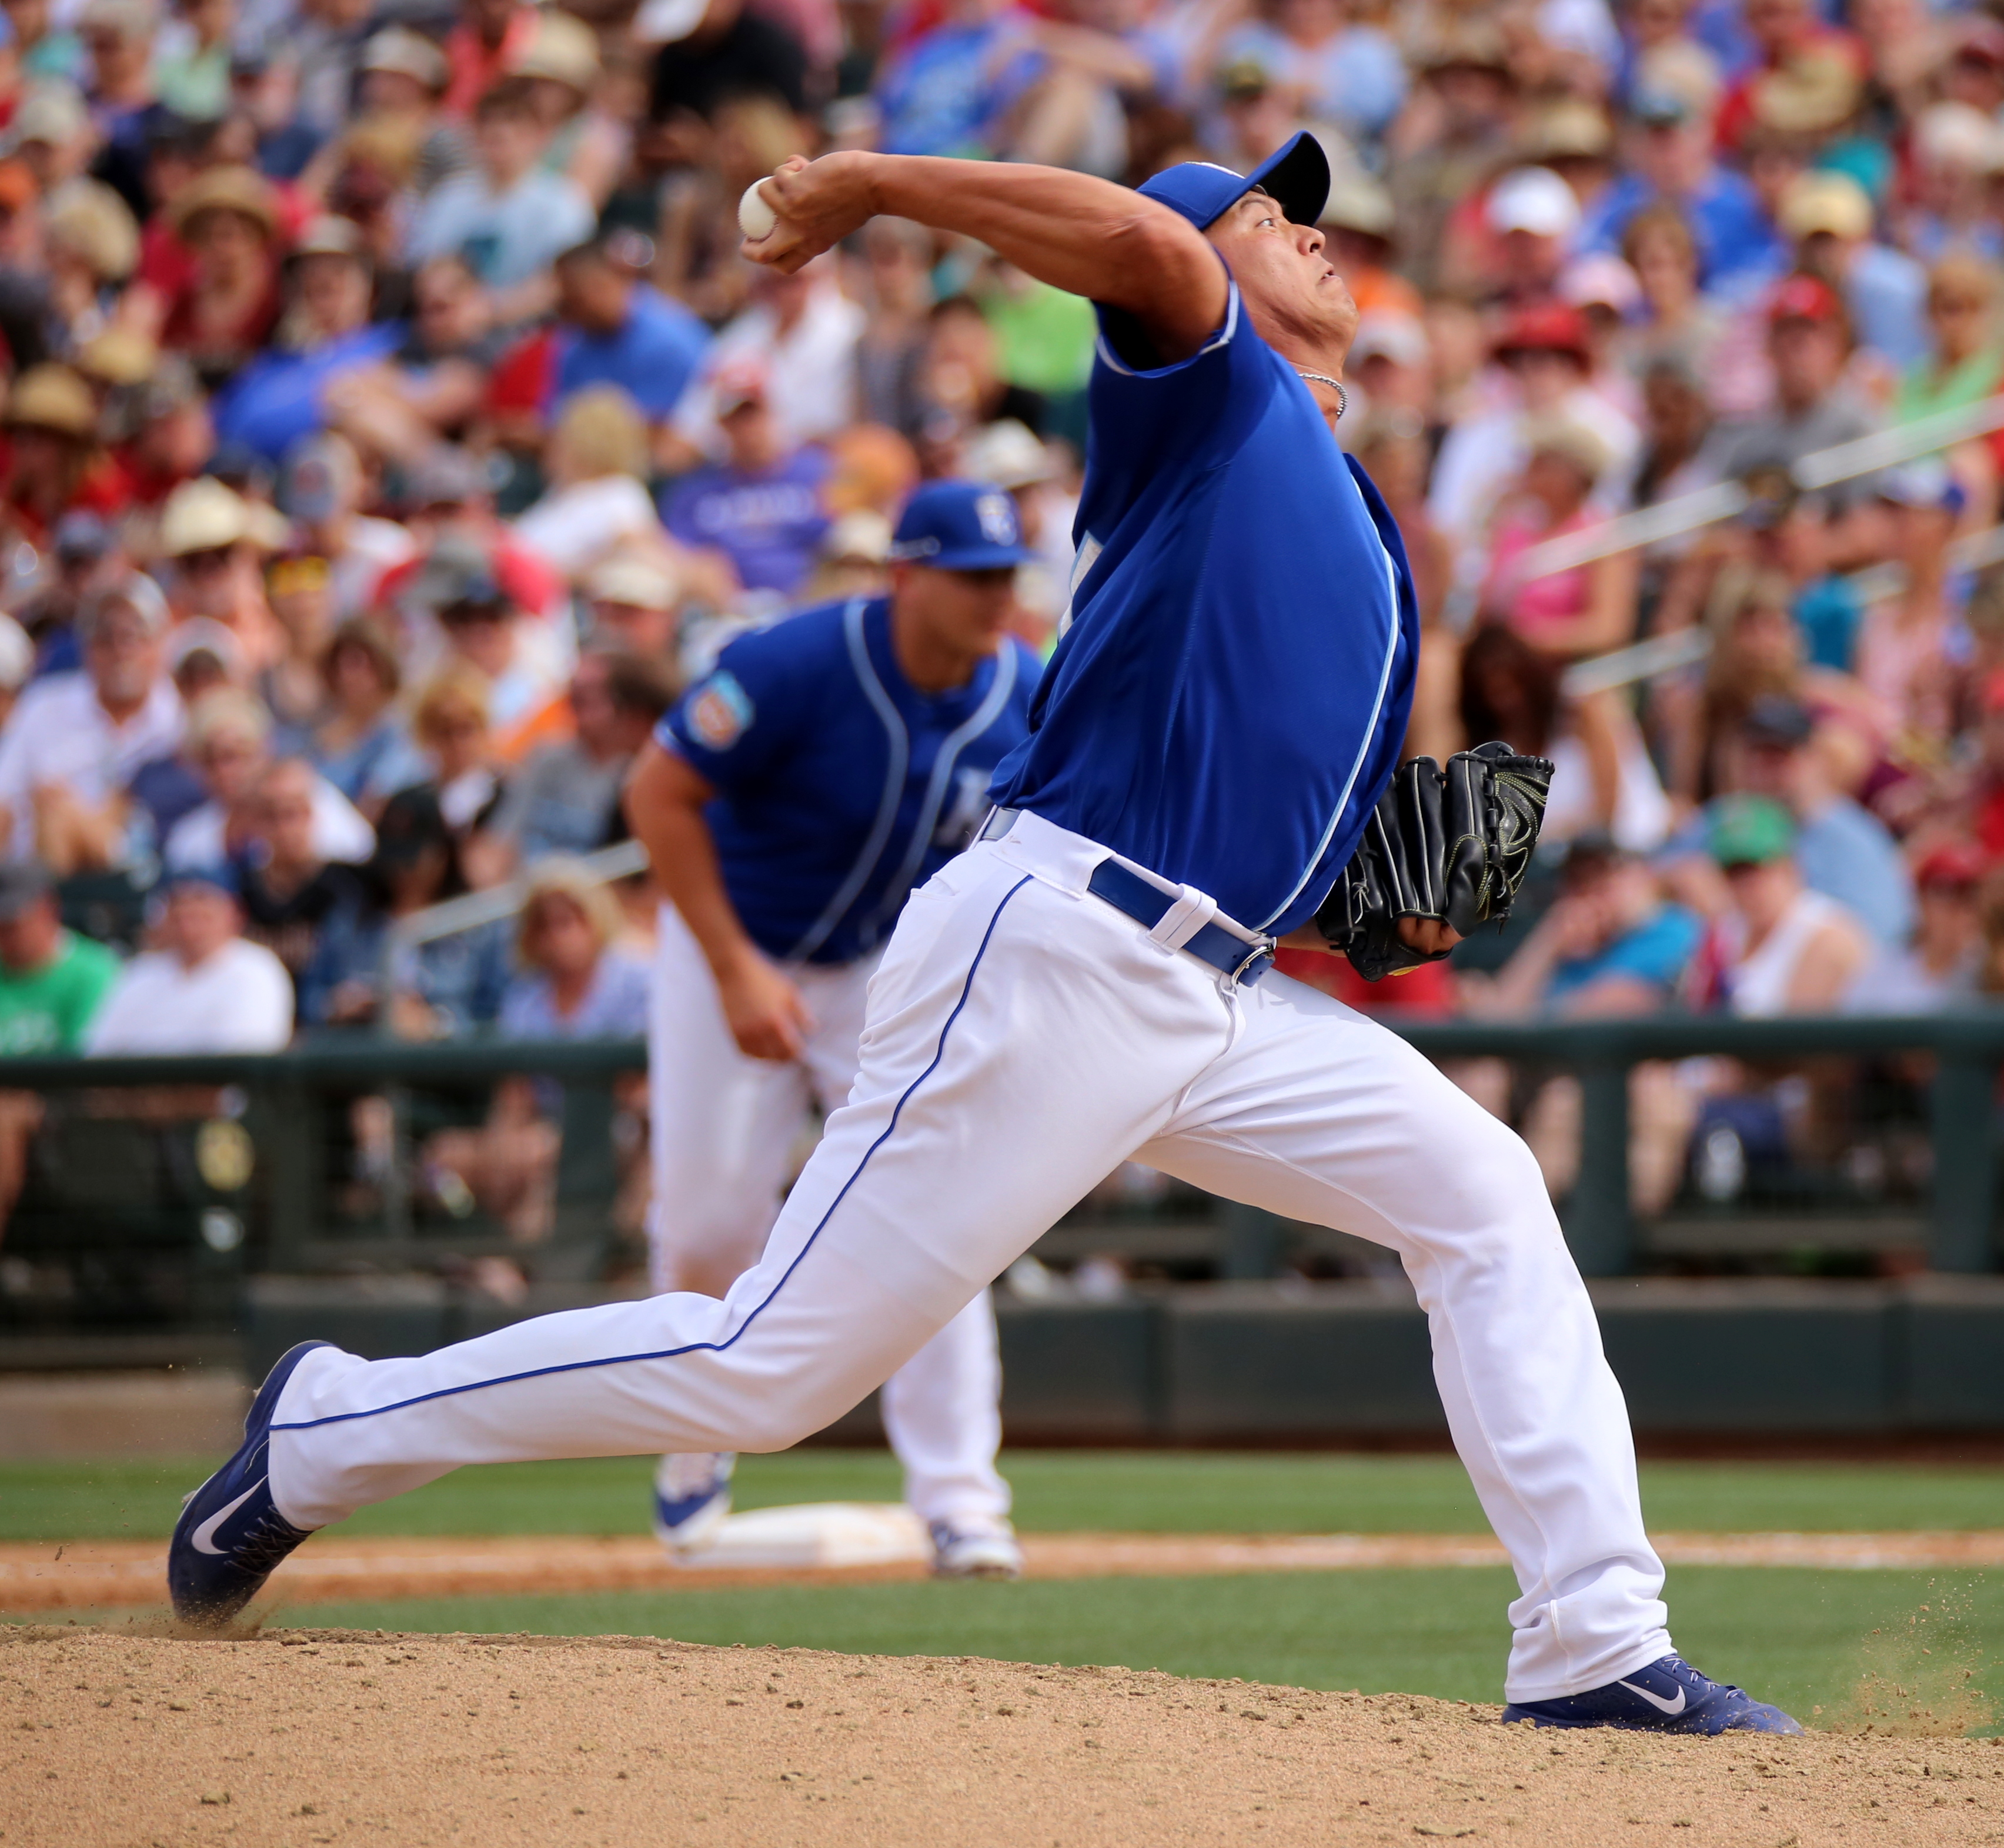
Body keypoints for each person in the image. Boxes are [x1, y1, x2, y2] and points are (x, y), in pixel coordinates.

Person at [167, 135, 1803, 1738]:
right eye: (1263, 212)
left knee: (1488, 1193)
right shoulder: (1210, 392)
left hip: (1215, 986)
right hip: (1062, 954)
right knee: (767, 1368)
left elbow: (1254, 796)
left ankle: (1596, 1642)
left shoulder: (1339, 498)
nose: (1305, 227)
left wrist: (1362, 894)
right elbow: (1156, 256)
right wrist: (877, 181)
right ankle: (328, 1424)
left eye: (1306, 212)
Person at [624, 478, 1040, 1572]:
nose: (994, 598)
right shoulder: (795, 661)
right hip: (735, 934)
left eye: (1005, 576)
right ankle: (690, 1437)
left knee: (939, 1209)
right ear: (904, 574)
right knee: (710, 1223)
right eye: (971, 577)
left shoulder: (1022, 693)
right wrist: (731, 967)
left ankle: (961, 1502)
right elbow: (656, 795)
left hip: (875, 969)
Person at [86, 861, 295, 1052]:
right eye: (177, 901)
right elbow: (96, 1053)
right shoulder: (141, 971)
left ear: (235, 913)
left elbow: (242, 1063)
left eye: (202, 898)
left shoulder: (257, 969)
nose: (187, 909)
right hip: (133, 1091)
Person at [0, 858, 119, 1052]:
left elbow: (80, 1064)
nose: (2, 934)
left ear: (48, 909)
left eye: (11, 924)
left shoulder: (95, 973)